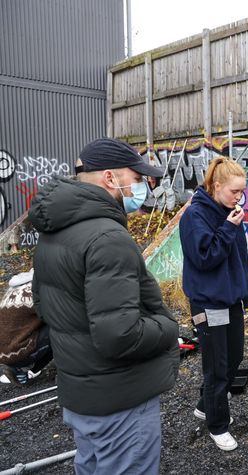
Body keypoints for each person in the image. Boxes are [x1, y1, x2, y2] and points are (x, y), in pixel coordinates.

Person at [29, 138, 179, 474]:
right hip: (120, 399)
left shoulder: (55, 230)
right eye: (137, 178)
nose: (143, 187)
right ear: (110, 179)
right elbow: (119, 335)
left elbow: (44, 305)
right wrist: (168, 327)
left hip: (83, 396)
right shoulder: (107, 238)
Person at [179, 157, 248, 452]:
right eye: (234, 191)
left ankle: (204, 403)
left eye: (242, 192)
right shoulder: (195, 216)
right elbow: (204, 258)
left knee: (234, 357)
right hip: (208, 302)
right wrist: (228, 229)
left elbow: (235, 259)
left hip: (230, 298)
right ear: (216, 185)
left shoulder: (227, 211)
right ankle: (217, 424)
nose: (239, 197)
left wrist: (244, 291)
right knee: (217, 366)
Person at [0, 270, 52, 386]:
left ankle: (18, 367)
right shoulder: (39, 289)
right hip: (17, 352)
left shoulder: (13, 289)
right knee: (59, 328)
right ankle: (25, 369)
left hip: (3, 352)